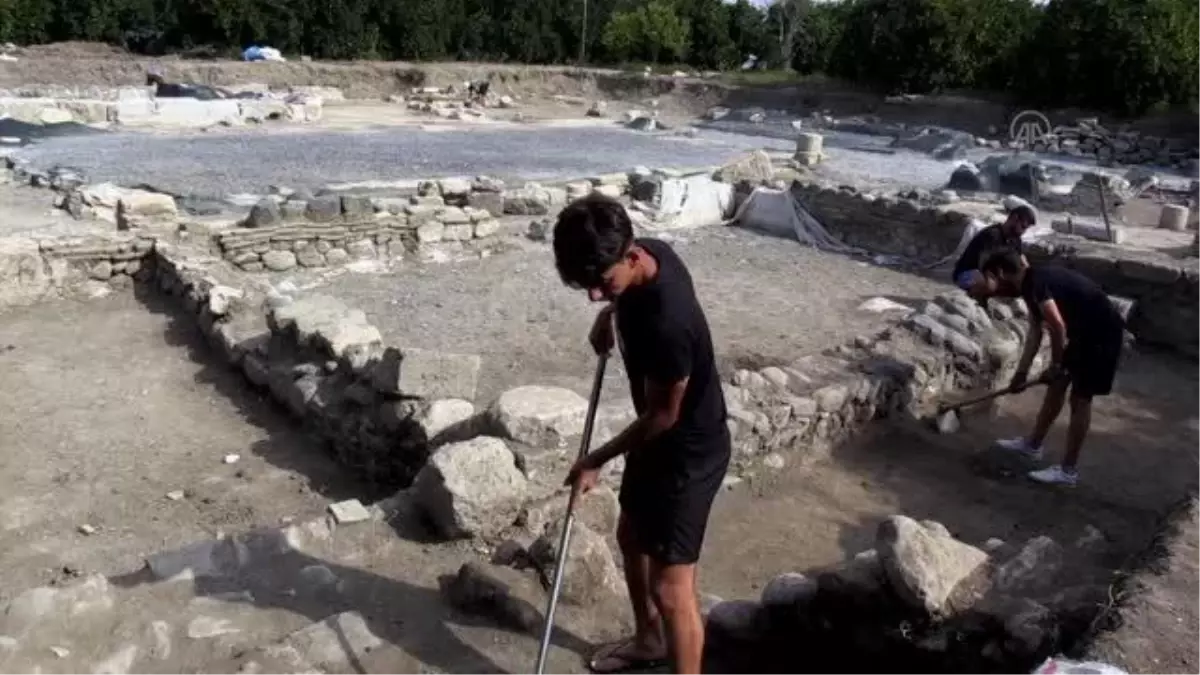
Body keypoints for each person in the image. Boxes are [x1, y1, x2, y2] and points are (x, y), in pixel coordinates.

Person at [551, 193, 730, 674]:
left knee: (671, 590)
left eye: (602, 284)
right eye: (586, 286)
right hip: (656, 444)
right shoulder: (645, 252)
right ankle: (648, 641)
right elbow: (619, 289)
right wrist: (609, 314)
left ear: (630, 257)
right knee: (631, 537)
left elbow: (663, 416)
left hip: (689, 453)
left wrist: (595, 459)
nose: (593, 293)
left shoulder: (668, 324)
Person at [977, 248, 1125, 486]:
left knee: (1080, 400)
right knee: (1056, 387)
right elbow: (1035, 332)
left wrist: (1056, 364)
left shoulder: (1037, 283)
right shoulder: (1029, 284)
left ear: (1002, 273)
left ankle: (1068, 472)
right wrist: (1021, 373)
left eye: (991, 277)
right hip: (1082, 336)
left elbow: (1057, 326)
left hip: (1102, 337)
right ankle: (1033, 445)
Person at [952, 204, 1037, 301]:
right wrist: (993, 276)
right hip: (966, 274)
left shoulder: (1015, 239)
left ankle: (988, 298)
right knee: (989, 285)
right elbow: (977, 264)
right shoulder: (992, 235)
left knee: (1022, 285)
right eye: (1023, 226)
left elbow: (1022, 260)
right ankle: (973, 299)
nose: (1023, 231)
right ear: (1014, 218)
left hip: (991, 274)